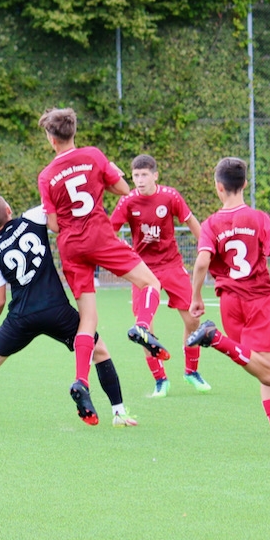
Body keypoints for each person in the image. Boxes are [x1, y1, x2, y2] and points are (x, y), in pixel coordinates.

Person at [0, 191, 137, 429]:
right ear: (8, 209)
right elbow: (57, 205)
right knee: (99, 351)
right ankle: (119, 413)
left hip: (21, 317)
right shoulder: (33, 217)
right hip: (55, 310)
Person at [37, 107, 169, 418]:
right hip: (99, 236)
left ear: (51, 139)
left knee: (88, 319)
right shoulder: (93, 156)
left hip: (71, 247)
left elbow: (53, 224)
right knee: (150, 283)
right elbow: (124, 189)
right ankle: (142, 327)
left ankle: (81, 380)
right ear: (74, 132)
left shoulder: (46, 176)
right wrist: (103, 179)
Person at [188, 157, 270, 456]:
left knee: (262, 368)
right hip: (258, 300)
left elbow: (202, 262)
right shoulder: (259, 218)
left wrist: (196, 297)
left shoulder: (211, 224)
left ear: (219, 187)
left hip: (229, 303)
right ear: (245, 184)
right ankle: (215, 339)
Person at [110, 154, 211, 397]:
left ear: (155, 175)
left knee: (193, 320)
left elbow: (191, 221)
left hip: (172, 265)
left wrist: (206, 248)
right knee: (144, 329)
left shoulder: (170, 196)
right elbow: (109, 231)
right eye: (136, 175)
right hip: (143, 270)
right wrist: (123, 250)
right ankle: (160, 380)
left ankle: (191, 372)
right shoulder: (127, 201)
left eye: (144, 175)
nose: (140, 180)